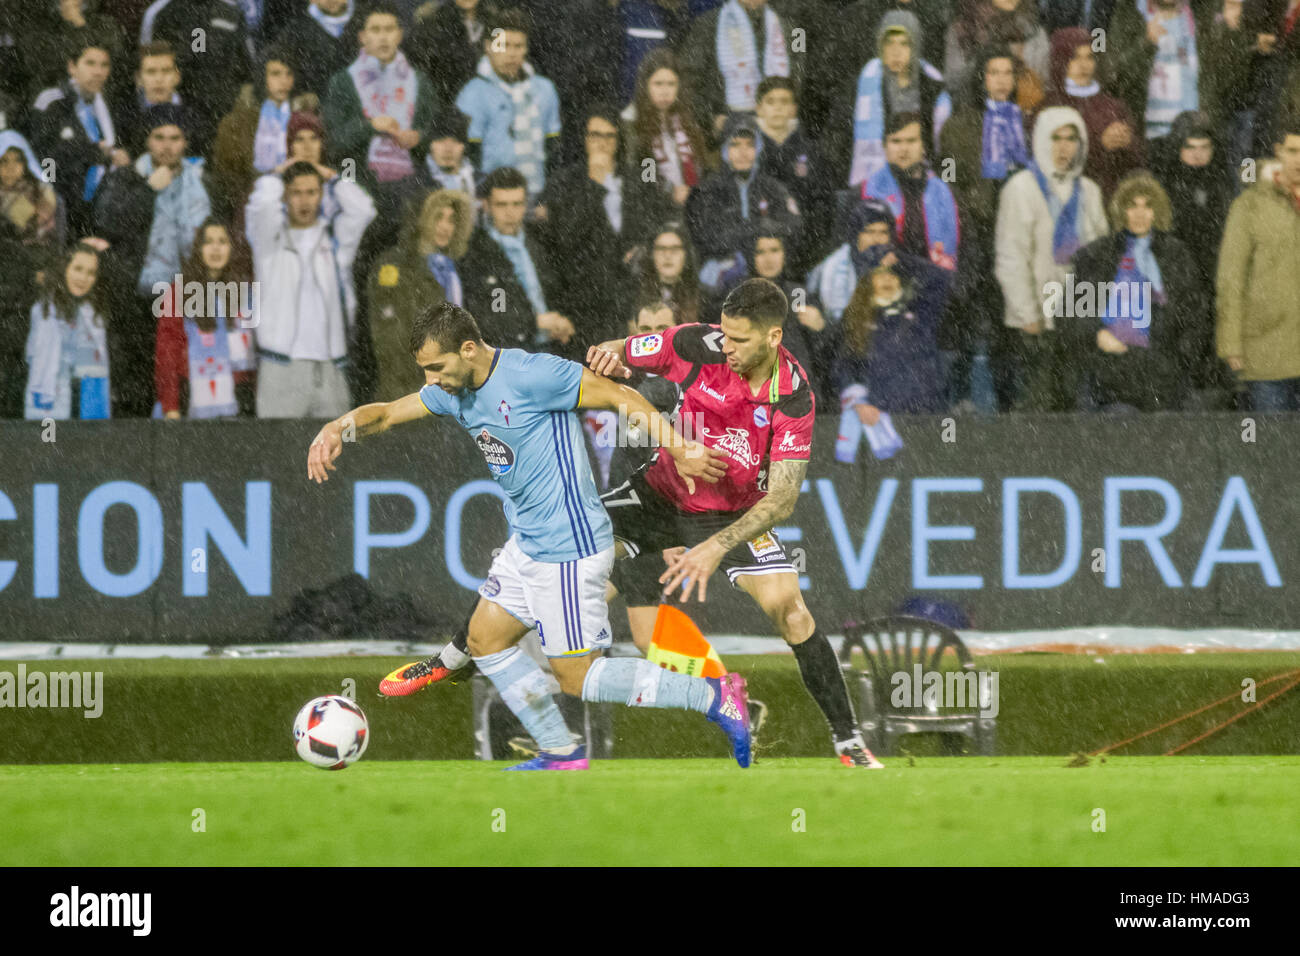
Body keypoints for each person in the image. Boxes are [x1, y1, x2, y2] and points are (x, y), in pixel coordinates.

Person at [388, 280, 885, 769]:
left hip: (734, 514)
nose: (725, 346)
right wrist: (610, 356)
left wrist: (713, 548)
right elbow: (616, 350)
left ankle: (849, 743)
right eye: (724, 335)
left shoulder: (793, 396)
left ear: (774, 338)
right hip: (660, 495)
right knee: (552, 562)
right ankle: (473, 669)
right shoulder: (695, 342)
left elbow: (781, 501)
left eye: (738, 340)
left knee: (790, 610)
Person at [313, 300, 752, 770]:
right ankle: (560, 749)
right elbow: (383, 414)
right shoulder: (450, 390)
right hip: (527, 544)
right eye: (425, 370)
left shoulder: (531, 374)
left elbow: (619, 396)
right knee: (485, 641)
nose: (431, 380)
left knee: (576, 678)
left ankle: (712, 694)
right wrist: (338, 428)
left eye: (437, 367)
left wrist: (680, 446)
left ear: (468, 349)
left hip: (570, 546)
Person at [92, 104, 212, 417]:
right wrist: (148, 191)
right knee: (136, 384)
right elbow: (107, 221)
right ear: (148, 141)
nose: (167, 145)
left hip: (184, 299)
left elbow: (208, 237)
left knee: (178, 384)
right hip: (137, 296)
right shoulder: (127, 177)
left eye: (175, 137)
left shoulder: (201, 183)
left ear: (185, 142)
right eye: (159, 137)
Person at [936, 45, 1032, 411]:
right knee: (965, 319)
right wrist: (975, 208)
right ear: (981, 77)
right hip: (975, 236)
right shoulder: (959, 125)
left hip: (1015, 238)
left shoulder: (1026, 121)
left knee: (1009, 324)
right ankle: (961, 400)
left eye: (1008, 73)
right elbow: (949, 183)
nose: (1002, 81)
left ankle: (1010, 405)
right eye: (994, 73)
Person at [995, 105, 1108, 410]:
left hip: (1078, 318)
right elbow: (1011, 257)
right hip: (1036, 322)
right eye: (1055, 137)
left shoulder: (1089, 191)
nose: (1063, 146)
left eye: (1071, 138)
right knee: (1038, 410)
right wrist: (1027, 313)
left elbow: (1101, 258)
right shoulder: (1021, 188)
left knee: (1074, 407)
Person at [245, 158, 376, 417]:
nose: (304, 201)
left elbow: (364, 209)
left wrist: (333, 177)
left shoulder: (336, 241)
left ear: (321, 195)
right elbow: (260, 205)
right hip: (280, 366)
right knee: (278, 453)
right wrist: (276, 173)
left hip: (331, 367)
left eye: (311, 192)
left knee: (334, 456)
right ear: (285, 195)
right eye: (296, 193)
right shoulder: (268, 241)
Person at [539, 104, 673, 351]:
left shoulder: (635, 178)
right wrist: (594, 185)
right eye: (595, 135)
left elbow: (653, 220)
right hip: (581, 290)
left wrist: (642, 246)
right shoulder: (565, 181)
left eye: (609, 135)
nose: (602, 142)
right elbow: (566, 236)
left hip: (628, 286)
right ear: (585, 139)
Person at [1066, 171, 1202, 412]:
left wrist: (1178, 360)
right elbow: (1073, 314)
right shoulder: (1096, 255)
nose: (1139, 213)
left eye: (1147, 206)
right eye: (1132, 205)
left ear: (1157, 211)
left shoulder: (1177, 256)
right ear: (1121, 209)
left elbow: (1194, 316)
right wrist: (1096, 335)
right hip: (1108, 377)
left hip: (1162, 378)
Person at [323, 3, 439, 232]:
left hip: (407, 182)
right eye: (375, 30)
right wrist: (370, 126)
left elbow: (436, 134)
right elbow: (334, 142)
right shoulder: (344, 81)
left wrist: (418, 138)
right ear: (362, 37)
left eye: (389, 29)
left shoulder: (419, 82)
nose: (383, 37)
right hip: (358, 175)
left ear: (399, 34)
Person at [1216, 115, 1300, 410]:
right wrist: (1230, 343)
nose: (1298, 160)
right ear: (1278, 151)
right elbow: (1231, 278)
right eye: (1293, 151)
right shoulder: (1249, 205)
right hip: (1266, 355)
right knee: (1270, 451)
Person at [368, 188, 473, 400]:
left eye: (452, 220)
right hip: (407, 387)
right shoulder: (395, 265)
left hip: (449, 386)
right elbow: (388, 336)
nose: (445, 227)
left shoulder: (454, 269)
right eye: (438, 218)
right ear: (423, 219)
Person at [686, 114, 801, 299]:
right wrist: (758, 227)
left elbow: (794, 226)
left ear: (759, 148)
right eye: (735, 144)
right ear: (724, 149)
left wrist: (747, 234)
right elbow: (707, 238)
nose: (743, 152)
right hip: (721, 282)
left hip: (770, 274)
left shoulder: (773, 187)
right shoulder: (707, 190)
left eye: (750, 145)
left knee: (797, 297)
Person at [460, 166, 572, 354]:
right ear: (486, 205)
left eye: (517, 204)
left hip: (553, 347)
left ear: (525, 204)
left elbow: (560, 289)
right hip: (508, 353)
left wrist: (564, 321)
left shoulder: (541, 240)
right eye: (501, 205)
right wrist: (535, 322)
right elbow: (487, 316)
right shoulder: (476, 253)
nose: (510, 213)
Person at [455, 8, 562, 202]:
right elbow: (469, 156)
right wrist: (482, 196)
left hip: (535, 195)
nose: (511, 54)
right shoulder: (473, 93)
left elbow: (554, 149)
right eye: (503, 45)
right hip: (494, 198)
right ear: (488, 46)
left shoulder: (545, 89)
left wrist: (548, 198)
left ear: (526, 48)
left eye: (518, 46)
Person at [154, 218, 256, 419]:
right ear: (198, 248)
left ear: (232, 248)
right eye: (208, 242)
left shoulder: (246, 292)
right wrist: (170, 405)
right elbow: (167, 353)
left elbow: (254, 353)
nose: (215, 248)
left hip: (238, 401)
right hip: (189, 397)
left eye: (222, 241)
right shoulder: (179, 292)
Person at [31, 40, 129, 238]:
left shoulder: (110, 104)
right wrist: (91, 151)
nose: (98, 72)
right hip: (62, 205)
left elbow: (117, 148)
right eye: (90, 63)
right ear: (72, 67)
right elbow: (41, 156)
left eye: (104, 65)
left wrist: (119, 156)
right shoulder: (52, 101)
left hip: (101, 204)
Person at [843, 10, 951, 188]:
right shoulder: (863, 85)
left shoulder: (934, 89)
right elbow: (841, 138)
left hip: (922, 182)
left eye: (904, 44)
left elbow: (946, 151)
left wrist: (945, 185)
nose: (896, 52)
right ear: (880, 47)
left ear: (915, 47)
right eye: (889, 43)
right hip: (872, 183)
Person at [1, 130, 64, 418]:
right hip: (9, 288)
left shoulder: (45, 197)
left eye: (17, 161)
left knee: (23, 359)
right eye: (3, 161)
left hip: (28, 295)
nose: (11, 168)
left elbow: (54, 247)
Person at [1038, 27, 1143, 196]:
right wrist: (1098, 147)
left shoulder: (1114, 106)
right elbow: (1049, 162)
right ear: (1060, 60)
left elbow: (1137, 163)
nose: (1083, 65)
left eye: (1089, 57)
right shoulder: (1047, 108)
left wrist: (1128, 144)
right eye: (1074, 57)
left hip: (1109, 201)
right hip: (1062, 199)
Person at [678, 0, 800, 136]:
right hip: (724, 132)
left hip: (774, 133)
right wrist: (710, 119)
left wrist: (787, 110)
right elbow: (688, 78)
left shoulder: (791, 29)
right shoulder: (707, 24)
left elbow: (797, 76)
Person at [754, 76, 836, 273]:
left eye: (784, 102)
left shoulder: (811, 151)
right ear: (759, 108)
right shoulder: (745, 149)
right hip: (758, 253)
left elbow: (824, 204)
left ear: (793, 108)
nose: (778, 108)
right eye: (771, 102)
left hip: (804, 252)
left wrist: (808, 244)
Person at [860, 112, 960, 271]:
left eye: (911, 141)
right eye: (896, 141)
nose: (903, 149)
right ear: (885, 147)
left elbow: (967, 254)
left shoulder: (946, 194)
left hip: (936, 287)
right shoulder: (864, 192)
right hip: (882, 286)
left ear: (924, 147)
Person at [24, 241, 111, 420]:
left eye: (91, 273)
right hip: (50, 397)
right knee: (48, 444)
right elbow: (33, 356)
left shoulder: (96, 313)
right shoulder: (43, 309)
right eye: (78, 268)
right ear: (65, 268)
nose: (83, 278)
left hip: (87, 399)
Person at [213, 49, 299, 218]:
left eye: (289, 74)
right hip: (252, 204)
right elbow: (227, 176)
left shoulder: (304, 117)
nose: (284, 81)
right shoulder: (236, 123)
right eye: (275, 74)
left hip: (297, 201)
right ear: (262, 77)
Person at [623, 48, 712, 212]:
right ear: (645, 85)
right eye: (658, 84)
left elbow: (704, 168)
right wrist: (671, 192)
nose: (665, 91)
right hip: (655, 210)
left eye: (671, 84)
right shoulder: (633, 125)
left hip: (695, 206)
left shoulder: (687, 121)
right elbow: (643, 175)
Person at [806, 196, 898, 323]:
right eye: (869, 232)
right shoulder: (828, 269)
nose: (877, 239)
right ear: (856, 235)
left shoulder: (901, 268)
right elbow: (799, 297)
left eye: (883, 232)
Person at [943, 0, 1050, 109]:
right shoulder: (960, 31)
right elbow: (952, 81)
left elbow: (1045, 80)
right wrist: (984, 58)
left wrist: (1019, 69)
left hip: (1026, 109)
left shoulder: (1033, 32)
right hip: (974, 108)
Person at [271, 0, 367, 100]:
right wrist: (302, 93)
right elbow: (279, 64)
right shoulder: (298, 29)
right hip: (317, 103)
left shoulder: (368, 19)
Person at [637, 223, 702, 324]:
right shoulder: (633, 293)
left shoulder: (704, 296)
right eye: (661, 248)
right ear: (651, 254)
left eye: (675, 249)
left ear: (686, 254)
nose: (667, 255)